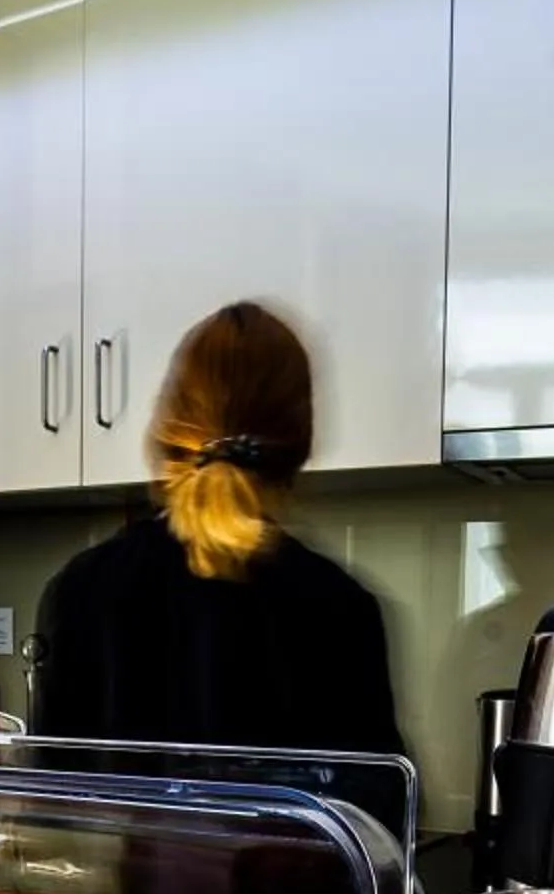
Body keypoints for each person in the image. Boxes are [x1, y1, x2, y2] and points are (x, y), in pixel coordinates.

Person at [32, 303, 404, 756]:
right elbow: (377, 812)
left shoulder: (80, 590)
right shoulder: (342, 608)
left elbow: (51, 804)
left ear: (167, 427)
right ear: (299, 441)